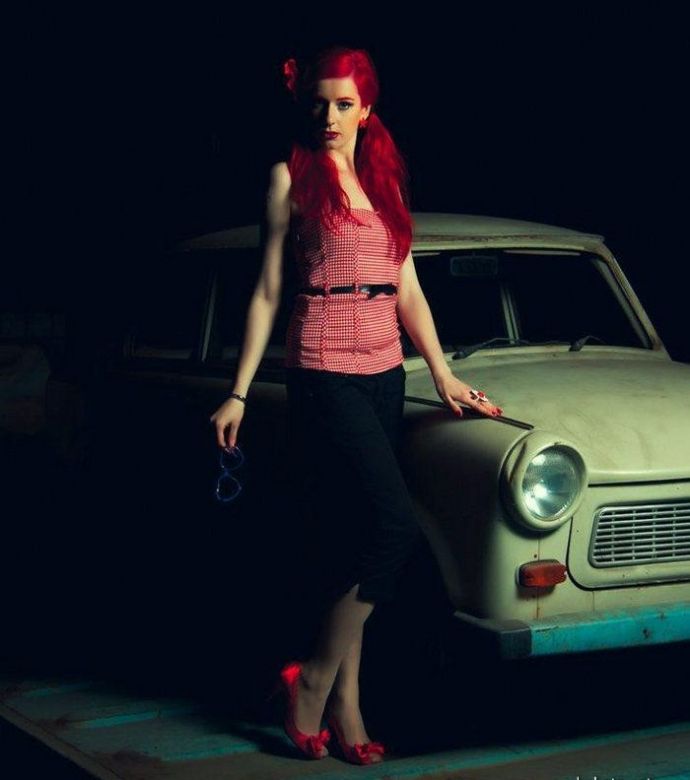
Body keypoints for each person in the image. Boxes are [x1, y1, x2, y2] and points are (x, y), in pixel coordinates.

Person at [209, 46, 504, 765]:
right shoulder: (288, 177)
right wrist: (239, 390)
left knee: (354, 541)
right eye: (320, 102)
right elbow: (268, 291)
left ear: (367, 110)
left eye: (345, 104)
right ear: (304, 105)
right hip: (321, 368)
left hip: (383, 372)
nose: (330, 116)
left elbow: (408, 291)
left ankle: (348, 704)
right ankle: (311, 681)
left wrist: (442, 374)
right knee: (393, 526)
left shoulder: (384, 181)